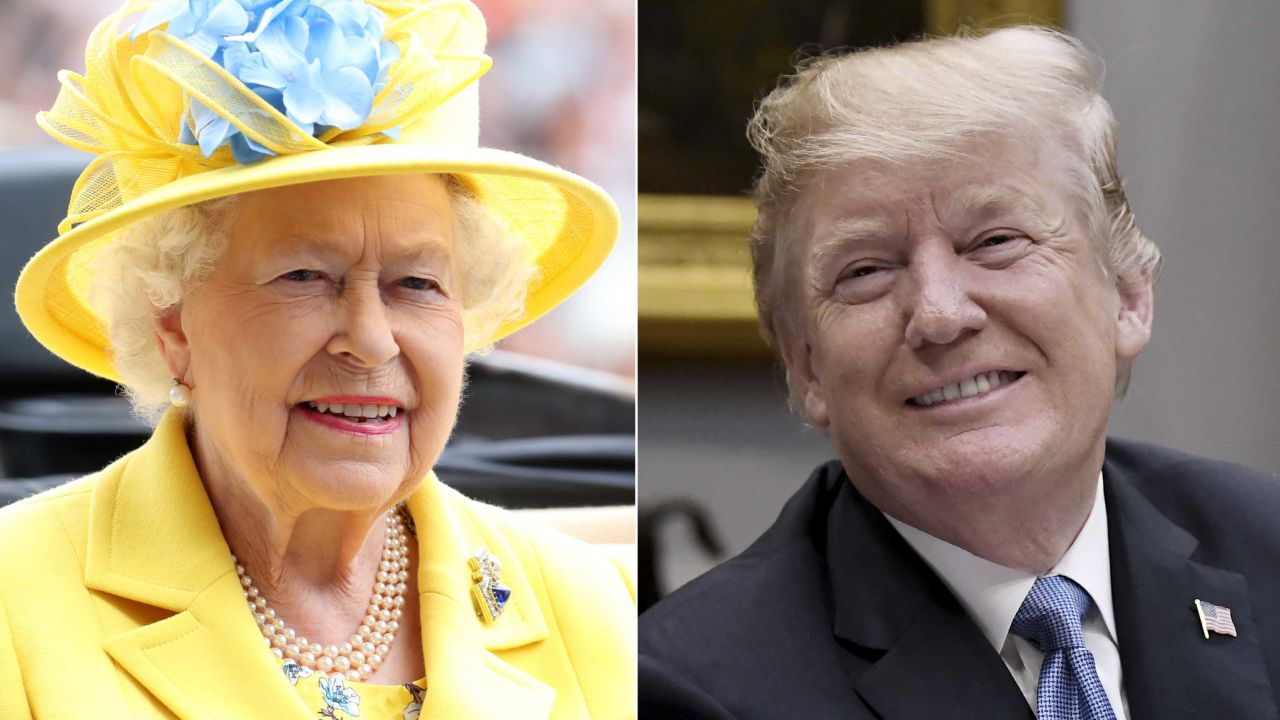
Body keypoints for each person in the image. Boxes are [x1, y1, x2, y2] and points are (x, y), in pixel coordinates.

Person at [0, 0, 635, 717]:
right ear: (173, 325)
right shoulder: (15, 604)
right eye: (303, 277)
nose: (369, 338)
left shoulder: (591, 609)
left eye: (417, 285)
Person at [639, 26, 1280, 720]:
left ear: (1127, 293)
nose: (941, 315)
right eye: (866, 271)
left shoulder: (1265, 548)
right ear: (806, 366)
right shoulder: (694, 688)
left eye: (996, 241)